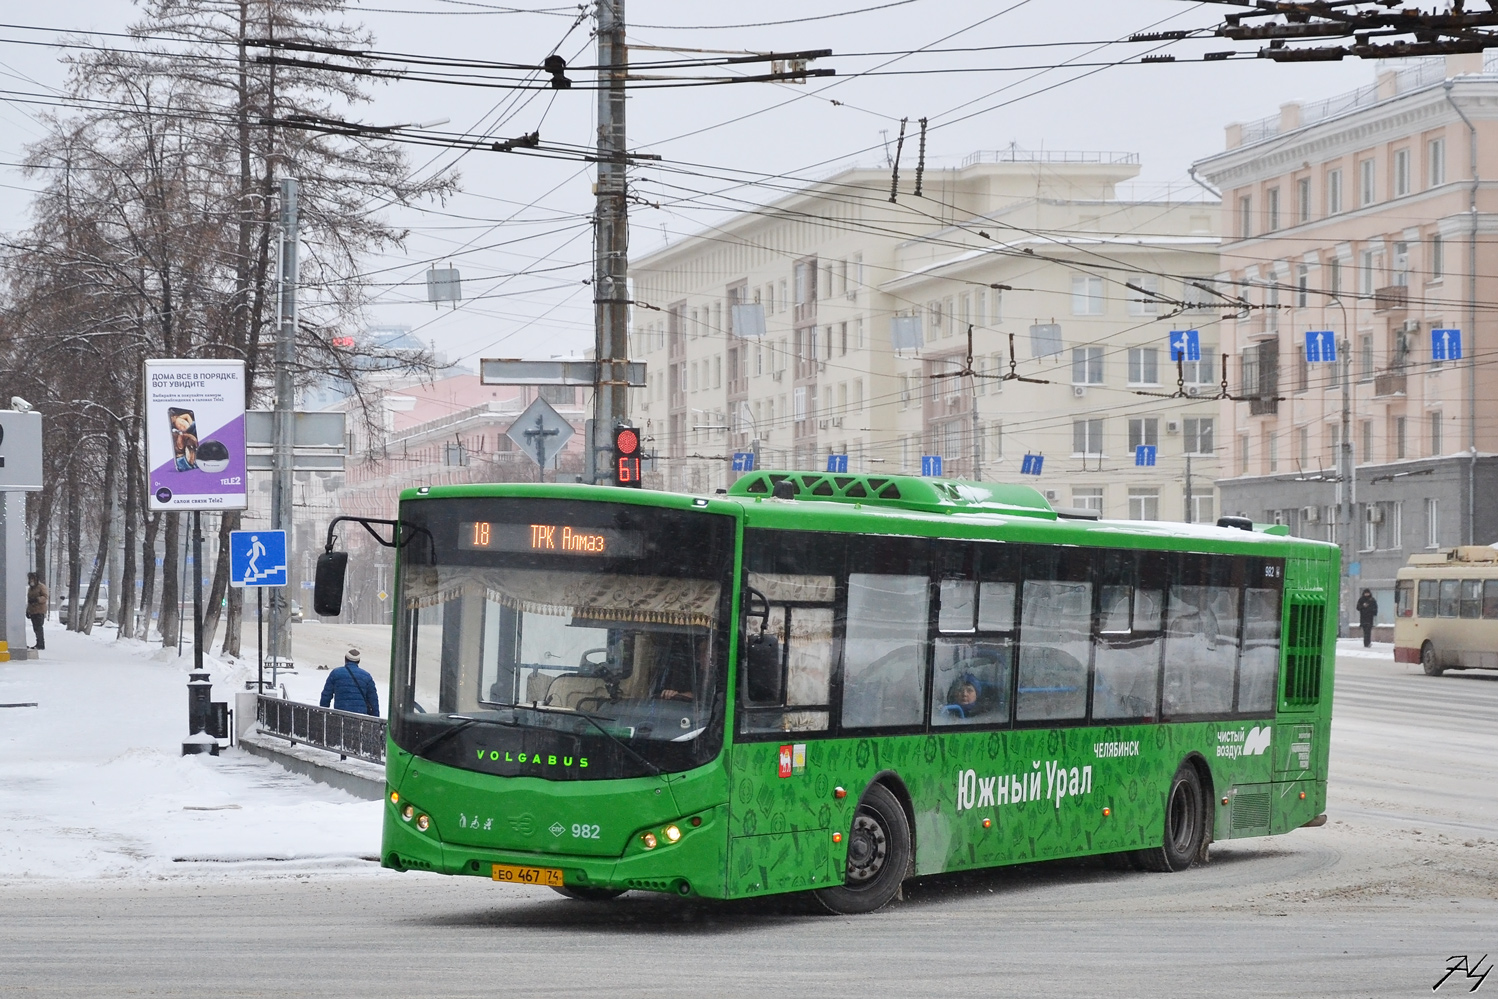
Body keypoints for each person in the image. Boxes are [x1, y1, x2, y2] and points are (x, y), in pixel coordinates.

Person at [319, 647, 380, 716]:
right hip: (361, 718)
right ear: (358, 661)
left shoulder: (336, 673)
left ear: (345, 659)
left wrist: (323, 713)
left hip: (340, 715)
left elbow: (326, 695)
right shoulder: (366, 676)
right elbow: (373, 700)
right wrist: (376, 719)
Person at [25, 572, 47, 651]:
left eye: (33, 579)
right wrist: (28, 610)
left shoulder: (41, 587)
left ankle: (41, 643)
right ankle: (38, 642)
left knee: (39, 627)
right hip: (33, 610)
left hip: (39, 610)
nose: (31, 581)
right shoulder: (30, 589)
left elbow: (45, 597)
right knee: (35, 628)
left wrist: (37, 599)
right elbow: (29, 601)